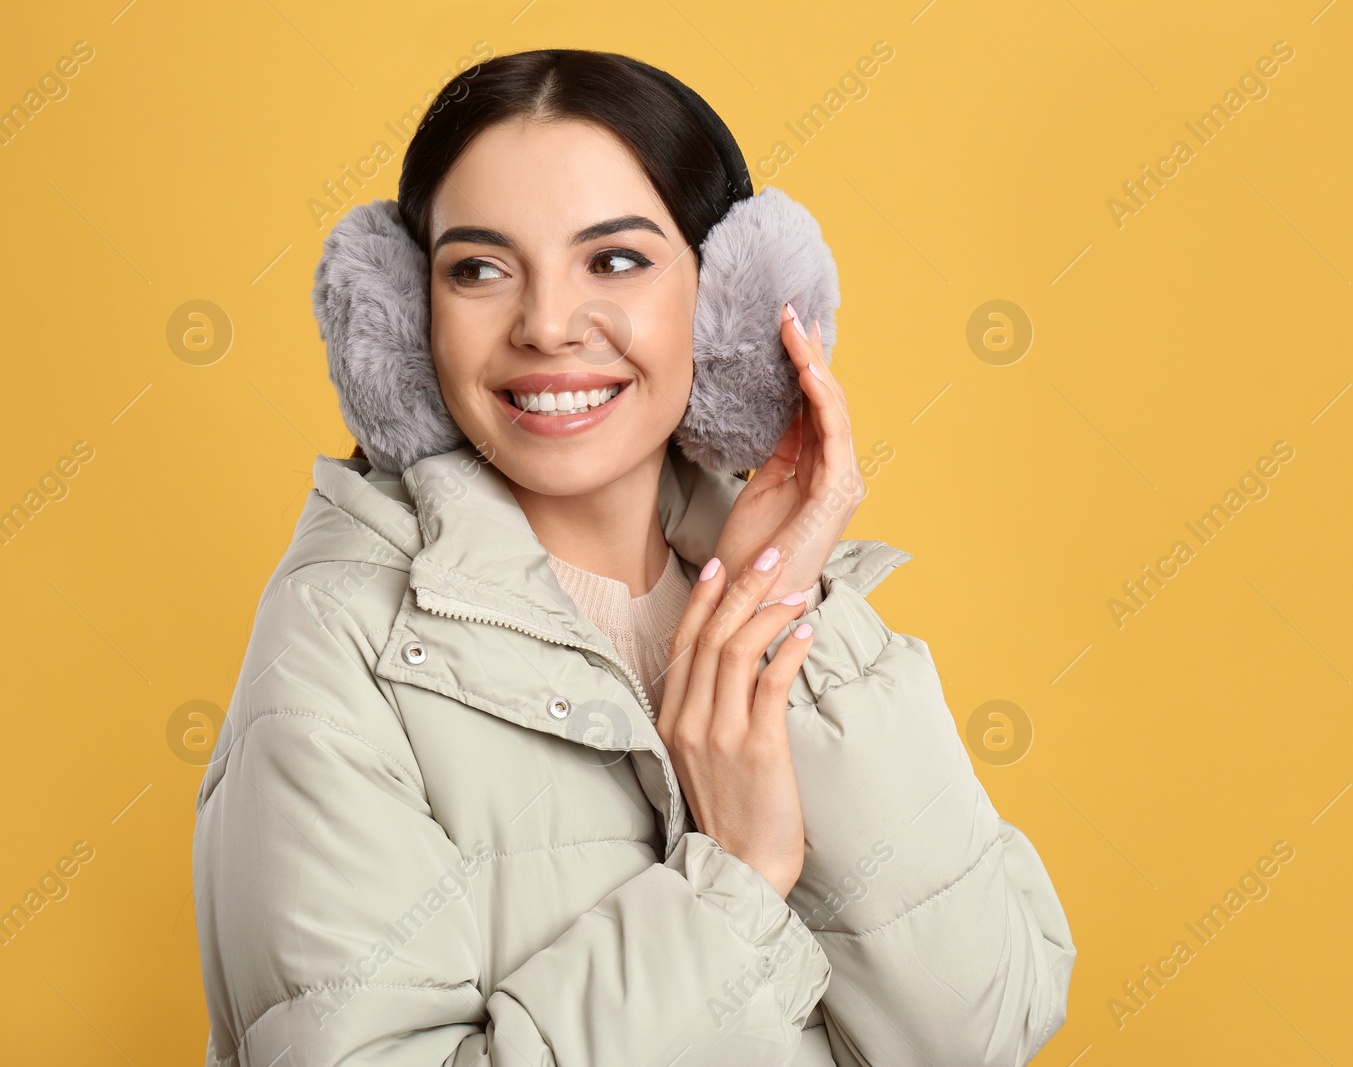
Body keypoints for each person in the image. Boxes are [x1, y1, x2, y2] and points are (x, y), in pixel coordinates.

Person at [192, 47, 1075, 1066]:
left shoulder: (794, 610)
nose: (547, 325)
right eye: (478, 268)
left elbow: (980, 1031)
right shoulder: (344, 643)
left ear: (727, 307)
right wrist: (732, 884)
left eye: (613, 259)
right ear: (403, 322)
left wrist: (777, 600)